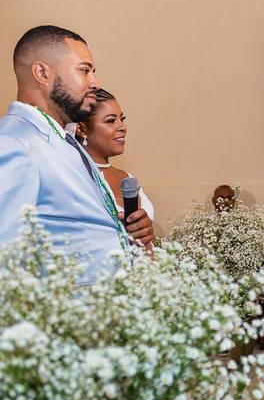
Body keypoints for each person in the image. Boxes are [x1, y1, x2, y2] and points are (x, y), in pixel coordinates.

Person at [0, 25, 153, 283]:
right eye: (84, 70)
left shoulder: (64, 141)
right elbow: (7, 260)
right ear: (42, 73)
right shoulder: (14, 142)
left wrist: (126, 233)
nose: (95, 83)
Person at [76, 88, 154, 222]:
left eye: (122, 119)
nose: (123, 127)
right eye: (111, 120)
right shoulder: (75, 177)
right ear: (82, 129)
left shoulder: (127, 179)